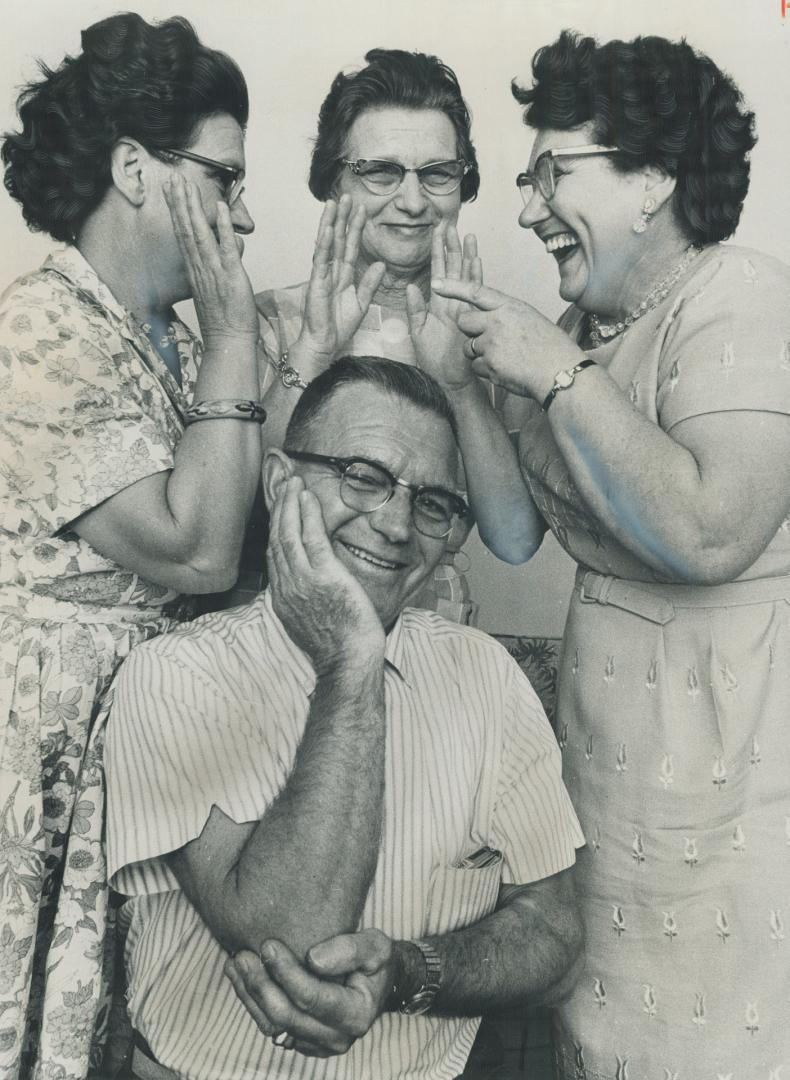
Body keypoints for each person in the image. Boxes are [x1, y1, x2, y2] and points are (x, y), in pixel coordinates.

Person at [422, 29, 790, 1080]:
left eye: (553, 172)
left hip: (731, 769)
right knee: (609, 1045)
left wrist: (554, 375)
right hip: (613, 767)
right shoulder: (584, 325)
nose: (529, 205)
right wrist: (464, 385)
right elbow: (513, 533)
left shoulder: (741, 296)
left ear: (654, 178)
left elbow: (711, 531)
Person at [103, 356, 585, 1080]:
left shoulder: (486, 675)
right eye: (363, 475)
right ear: (279, 483)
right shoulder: (175, 674)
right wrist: (352, 661)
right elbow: (297, 944)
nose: (395, 524)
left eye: (432, 504)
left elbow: (554, 936)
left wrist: (410, 973)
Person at [0, 14, 264, 1078]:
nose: (243, 218)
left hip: (151, 745)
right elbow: (195, 552)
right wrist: (244, 336)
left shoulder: (181, 346)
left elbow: (244, 552)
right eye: (225, 179)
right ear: (134, 170)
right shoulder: (36, 328)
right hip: (44, 749)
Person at [243, 48, 482, 621]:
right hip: (281, 633)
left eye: (437, 173)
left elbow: (516, 539)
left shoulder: (486, 334)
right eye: (381, 171)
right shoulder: (265, 321)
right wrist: (314, 350)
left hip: (430, 635)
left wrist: (462, 380)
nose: (413, 201)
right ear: (333, 183)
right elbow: (243, 516)